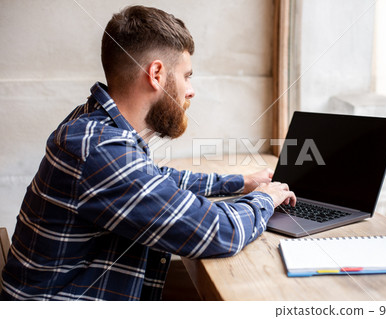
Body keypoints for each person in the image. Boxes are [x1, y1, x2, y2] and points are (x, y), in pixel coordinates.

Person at [0, 5, 295, 301]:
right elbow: (217, 232)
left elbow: (152, 179)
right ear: (156, 74)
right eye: (187, 76)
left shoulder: (94, 123)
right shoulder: (97, 149)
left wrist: (240, 183)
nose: (190, 91)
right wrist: (266, 198)